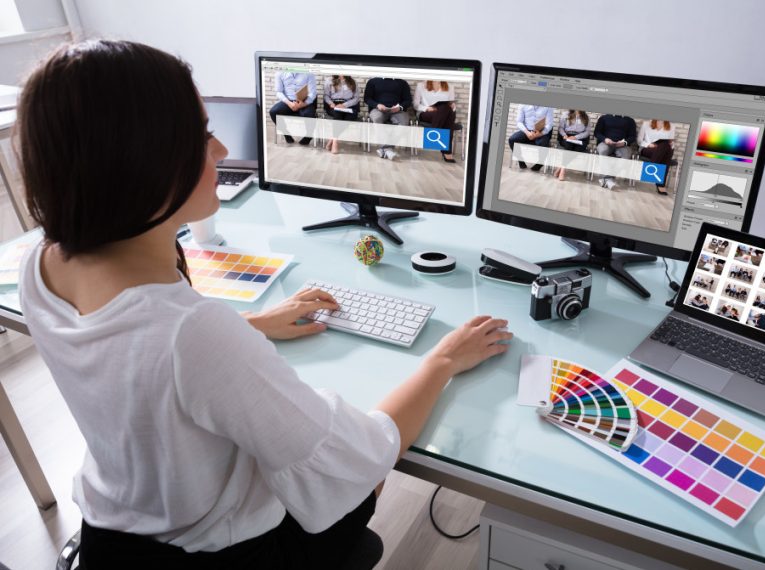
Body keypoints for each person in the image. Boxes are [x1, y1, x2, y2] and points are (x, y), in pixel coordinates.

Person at [16, 39, 513, 568]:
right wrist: (443, 360)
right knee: (357, 474)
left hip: (111, 535)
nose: (223, 153)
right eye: (203, 136)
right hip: (220, 552)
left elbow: (139, 356)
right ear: (143, 161)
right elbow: (352, 459)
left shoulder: (41, 265)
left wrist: (251, 323)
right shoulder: (193, 334)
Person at [364, 77, 412, 160]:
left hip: (397, 110)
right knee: (377, 118)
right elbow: (367, 98)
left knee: (404, 122)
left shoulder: (402, 82)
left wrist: (399, 107)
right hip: (378, 109)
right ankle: (388, 149)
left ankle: (385, 148)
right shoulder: (373, 81)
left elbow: (408, 100)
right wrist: (377, 105)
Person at [413, 80, 457, 162]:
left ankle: (433, 135)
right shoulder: (421, 85)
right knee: (447, 112)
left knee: (446, 108)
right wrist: (427, 108)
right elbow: (415, 104)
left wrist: (453, 106)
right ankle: (447, 151)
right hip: (426, 113)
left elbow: (452, 105)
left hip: (443, 114)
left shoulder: (450, 86)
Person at [269, 69, 317, 145]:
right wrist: (288, 103)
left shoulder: (309, 73)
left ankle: (308, 136)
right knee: (273, 111)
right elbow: (279, 92)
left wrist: (303, 104)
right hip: (288, 101)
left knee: (310, 114)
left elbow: (313, 93)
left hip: (304, 101)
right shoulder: (280, 73)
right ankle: (286, 134)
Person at [593, 114, 636, 190]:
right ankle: (609, 179)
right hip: (605, 143)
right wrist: (605, 139)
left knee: (627, 154)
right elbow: (597, 133)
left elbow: (632, 136)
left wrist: (624, 142)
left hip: (622, 145)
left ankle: (607, 178)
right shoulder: (604, 118)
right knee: (603, 150)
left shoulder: (630, 120)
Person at [508, 105, 553, 171]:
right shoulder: (522, 105)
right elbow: (519, 122)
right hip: (527, 130)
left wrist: (539, 134)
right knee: (512, 139)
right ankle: (521, 160)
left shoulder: (548, 107)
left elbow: (550, 124)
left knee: (544, 143)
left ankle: (540, 163)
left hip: (541, 131)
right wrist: (527, 132)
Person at [323, 75, 360, 155]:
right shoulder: (329, 80)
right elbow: (326, 96)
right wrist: (331, 103)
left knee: (350, 116)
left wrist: (344, 105)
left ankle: (332, 139)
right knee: (337, 114)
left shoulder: (353, 81)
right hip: (334, 105)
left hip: (349, 105)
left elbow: (356, 98)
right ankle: (335, 143)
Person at [637, 119, 675, 195]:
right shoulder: (647, 123)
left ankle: (651, 169)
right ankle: (661, 185)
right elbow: (639, 140)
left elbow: (672, 143)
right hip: (647, 149)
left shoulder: (671, 126)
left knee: (666, 145)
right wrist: (648, 144)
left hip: (663, 150)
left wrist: (671, 145)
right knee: (665, 148)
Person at [554, 110, 590, 181]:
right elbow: (560, 128)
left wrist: (576, 137)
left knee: (579, 148)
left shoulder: (586, 117)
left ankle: (561, 167)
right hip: (567, 136)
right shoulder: (565, 114)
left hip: (580, 137)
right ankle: (563, 171)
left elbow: (587, 132)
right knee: (568, 146)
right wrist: (564, 135)